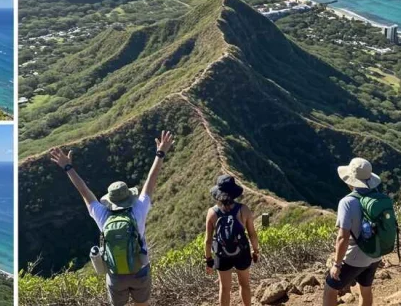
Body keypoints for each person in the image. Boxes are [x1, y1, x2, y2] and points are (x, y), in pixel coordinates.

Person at [48, 131, 175, 306]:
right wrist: (161, 153)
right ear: (129, 197)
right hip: (140, 271)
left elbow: (84, 191)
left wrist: (68, 167)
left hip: (115, 275)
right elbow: (150, 182)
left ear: (110, 200)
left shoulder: (102, 215)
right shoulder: (139, 209)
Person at [323, 158, 396, 306]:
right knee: (365, 289)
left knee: (330, 288)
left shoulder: (347, 202)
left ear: (351, 180)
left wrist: (337, 264)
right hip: (376, 253)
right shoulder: (378, 198)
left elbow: (343, 237)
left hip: (355, 257)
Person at [204, 175, 260, 306]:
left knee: (224, 289)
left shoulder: (212, 213)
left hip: (222, 254)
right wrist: (255, 251)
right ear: (234, 193)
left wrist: (208, 260)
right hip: (242, 252)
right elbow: (252, 234)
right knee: (245, 284)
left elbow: (207, 240)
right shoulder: (244, 210)